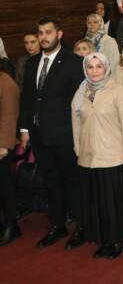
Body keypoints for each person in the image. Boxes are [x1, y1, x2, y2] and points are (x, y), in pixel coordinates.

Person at [18, 18, 85, 250]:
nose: (44, 37)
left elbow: (81, 101)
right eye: (40, 33)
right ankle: (58, 225)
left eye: (48, 32)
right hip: (38, 134)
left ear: (59, 34)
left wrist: (80, 134)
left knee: (73, 181)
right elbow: (27, 98)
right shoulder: (32, 62)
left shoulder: (74, 62)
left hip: (65, 134)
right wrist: (24, 129)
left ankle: (82, 227)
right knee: (51, 181)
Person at [71, 52, 123, 259]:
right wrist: (78, 148)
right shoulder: (81, 92)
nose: (94, 71)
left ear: (106, 68)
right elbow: (76, 123)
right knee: (96, 201)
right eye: (90, 67)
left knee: (111, 201)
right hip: (88, 155)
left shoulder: (117, 90)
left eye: (99, 66)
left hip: (112, 155)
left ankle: (117, 240)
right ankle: (104, 239)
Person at [0, 59, 20, 245]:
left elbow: (10, 115)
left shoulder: (6, 83)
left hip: (2, 144)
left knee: (5, 185)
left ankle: (11, 224)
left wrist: (4, 144)